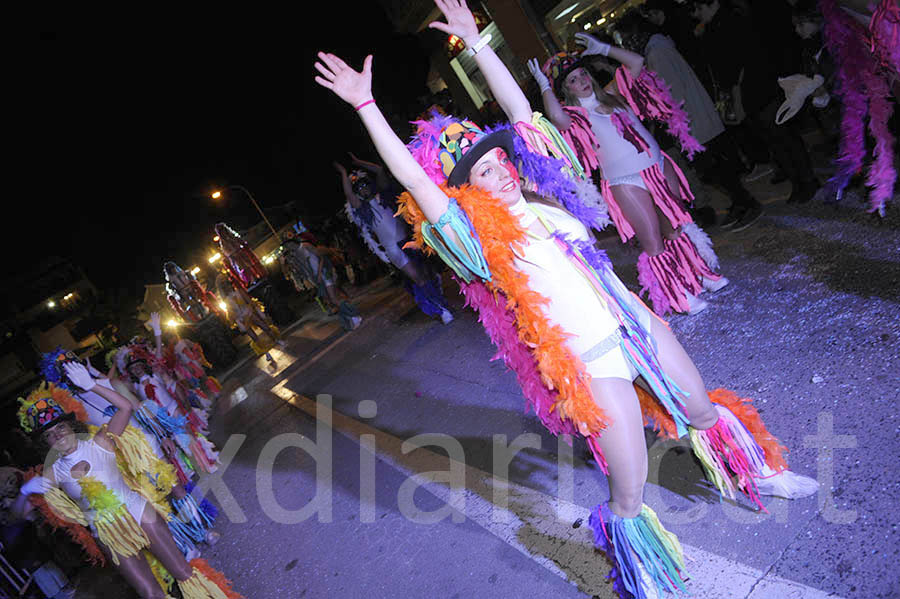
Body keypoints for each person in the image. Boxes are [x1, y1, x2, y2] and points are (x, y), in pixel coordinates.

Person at [314, 1, 818, 597]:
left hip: (634, 322)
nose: (500, 170)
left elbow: (523, 116)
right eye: (484, 172)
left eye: (501, 160)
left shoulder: (542, 199)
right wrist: (366, 106)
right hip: (590, 360)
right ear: (465, 193)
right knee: (628, 489)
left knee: (702, 410)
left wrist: (478, 46)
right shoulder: (477, 243)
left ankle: (759, 472)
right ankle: (647, 579)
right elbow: (418, 182)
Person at [526, 34, 728, 315]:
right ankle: (677, 295)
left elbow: (636, 63)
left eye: (583, 74)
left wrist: (604, 49)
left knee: (675, 228)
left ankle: (699, 275)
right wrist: (545, 86)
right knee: (652, 240)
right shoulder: (574, 114)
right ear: (565, 89)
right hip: (626, 182)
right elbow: (556, 119)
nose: (582, 81)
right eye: (572, 80)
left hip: (658, 167)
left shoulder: (614, 93)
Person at [14, 363, 240, 599]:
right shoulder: (53, 473)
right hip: (109, 535)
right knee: (150, 594)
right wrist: (24, 492)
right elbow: (17, 515)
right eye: (49, 435)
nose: (58, 435)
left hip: (139, 512)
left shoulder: (99, 442)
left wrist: (92, 385)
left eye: (60, 427)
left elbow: (125, 407)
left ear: (71, 426)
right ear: (45, 443)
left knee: (183, 571)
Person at [613, 10, 763, 230]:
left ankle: (746, 202)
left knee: (713, 167)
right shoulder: (654, 48)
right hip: (691, 119)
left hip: (691, 120)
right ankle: (740, 200)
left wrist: (662, 113)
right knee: (712, 167)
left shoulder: (656, 52)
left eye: (626, 37)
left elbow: (671, 92)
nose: (625, 43)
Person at [335, 155, 454, 323]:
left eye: (364, 185)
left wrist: (359, 162)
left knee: (428, 273)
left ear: (370, 185)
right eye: (358, 188)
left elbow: (379, 170)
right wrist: (343, 173)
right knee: (419, 278)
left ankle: (440, 302)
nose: (363, 189)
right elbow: (348, 192)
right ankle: (440, 310)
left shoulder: (383, 196)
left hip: (410, 241)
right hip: (394, 249)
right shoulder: (363, 209)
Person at [280, 231, 363, 331]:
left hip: (324, 274)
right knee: (331, 300)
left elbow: (321, 257)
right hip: (317, 279)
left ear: (293, 242)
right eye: (286, 245)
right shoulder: (295, 256)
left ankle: (354, 315)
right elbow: (299, 271)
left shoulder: (305, 246)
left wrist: (319, 273)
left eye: (288, 243)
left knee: (334, 299)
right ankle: (350, 317)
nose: (287, 246)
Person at [214, 271, 283, 363]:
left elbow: (249, 302)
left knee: (264, 327)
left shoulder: (239, 292)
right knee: (254, 337)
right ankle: (267, 353)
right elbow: (231, 312)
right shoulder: (226, 300)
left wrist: (251, 311)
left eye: (227, 285)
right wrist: (236, 318)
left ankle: (276, 340)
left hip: (248, 312)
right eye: (225, 287)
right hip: (241, 318)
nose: (227, 287)